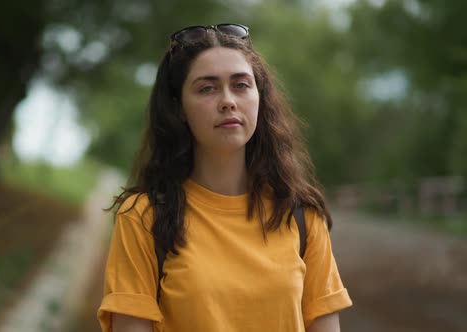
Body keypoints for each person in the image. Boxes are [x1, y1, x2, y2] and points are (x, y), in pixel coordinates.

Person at [97, 23, 352, 332]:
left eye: (241, 85)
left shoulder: (301, 214)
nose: (228, 101)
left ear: (260, 97)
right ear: (178, 108)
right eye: (207, 88)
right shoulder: (143, 217)